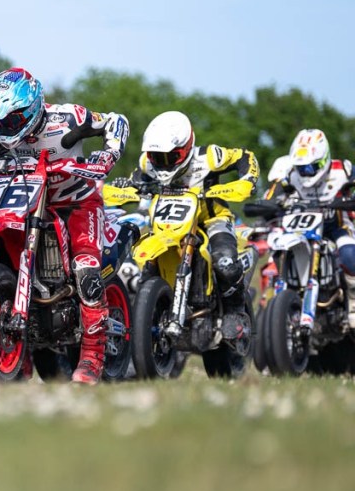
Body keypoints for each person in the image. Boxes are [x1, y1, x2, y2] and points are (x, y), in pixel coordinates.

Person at [0, 67, 130, 384]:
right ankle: (14, 350)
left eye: (11, 118)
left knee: (86, 270)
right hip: (25, 203)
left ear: (30, 109)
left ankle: (92, 356)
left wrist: (108, 155)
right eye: (0, 119)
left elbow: (116, 121)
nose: (4, 125)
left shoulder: (69, 118)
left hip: (76, 202)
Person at [134, 109, 259, 339]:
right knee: (143, 265)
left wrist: (247, 180)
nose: (162, 164)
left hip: (212, 219)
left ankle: (235, 311)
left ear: (186, 148)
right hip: (169, 225)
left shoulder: (210, 157)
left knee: (224, 263)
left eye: (170, 157)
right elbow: (137, 181)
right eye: (156, 157)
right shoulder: (146, 163)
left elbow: (245, 157)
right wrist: (128, 186)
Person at [262, 129, 355, 327]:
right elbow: (270, 196)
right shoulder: (290, 174)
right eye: (302, 168)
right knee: (277, 250)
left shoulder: (343, 170)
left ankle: (353, 304)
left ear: (324, 160)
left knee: (349, 254)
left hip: (336, 227)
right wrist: (267, 205)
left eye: (311, 167)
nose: (306, 172)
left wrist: (347, 201)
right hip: (301, 228)